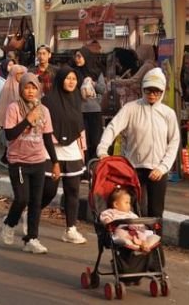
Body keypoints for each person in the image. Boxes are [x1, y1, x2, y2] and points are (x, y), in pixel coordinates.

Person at [96, 68, 179, 218]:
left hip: (158, 170)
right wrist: (102, 150)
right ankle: (137, 240)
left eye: (157, 91)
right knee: (137, 211)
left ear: (162, 91)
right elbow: (112, 128)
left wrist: (162, 167)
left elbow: (174, 142)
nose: (152, 95)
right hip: (133, 168)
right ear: (143, 89)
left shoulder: (168, 114)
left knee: (156, 212)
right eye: (148, 91)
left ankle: (155, 241)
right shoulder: (131, 108)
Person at [0, 73, 58, 254]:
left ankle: (31, 238)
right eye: (27, 87)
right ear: (21, 89)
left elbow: (47, 137)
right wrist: (27, 119)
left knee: (35, 201)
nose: (31, 91)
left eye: (34, 87)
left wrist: (55, 162)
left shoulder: (44, 111)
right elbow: (9, 135)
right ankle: (9, 223)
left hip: (38, 160)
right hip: (18, 161)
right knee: (22, 198)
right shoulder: (13, 108)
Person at [41, 66, 88, 244]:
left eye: (73, 79)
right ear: (60, 79)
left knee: (73, 190)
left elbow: (80, 127)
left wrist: (83, 150)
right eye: (67, 78)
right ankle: (32, 212)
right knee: (49, 190)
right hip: (51, 150)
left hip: (72, 150)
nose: (70, 82)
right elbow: (43, 128)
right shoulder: (47, 101)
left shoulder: (77, 99)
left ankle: (70, 229)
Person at [101, 188, 161, 254]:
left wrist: (141, 227)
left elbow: (138, 221)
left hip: (136, 232)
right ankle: (138, 245)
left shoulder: (131, 214)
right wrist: (108, 221)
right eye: (126, 203)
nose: (129, 205)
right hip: (123, 232)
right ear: (116, 204)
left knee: (148, 234)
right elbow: (104, 217)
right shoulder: (111, 212)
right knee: (119, 234)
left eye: (129, 203)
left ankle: (142, 244)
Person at [72, 49, 106, 164]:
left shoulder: (96, 72)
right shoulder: (74, 73)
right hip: (79, 110)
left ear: (86, 57)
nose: (77, 59)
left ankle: (94, 165)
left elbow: (103, 89)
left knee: (95, 139)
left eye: (79, 56)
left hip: (94, 110)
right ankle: (83, 166)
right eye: (76, 56)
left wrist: (93, 83)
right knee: (82, 140)